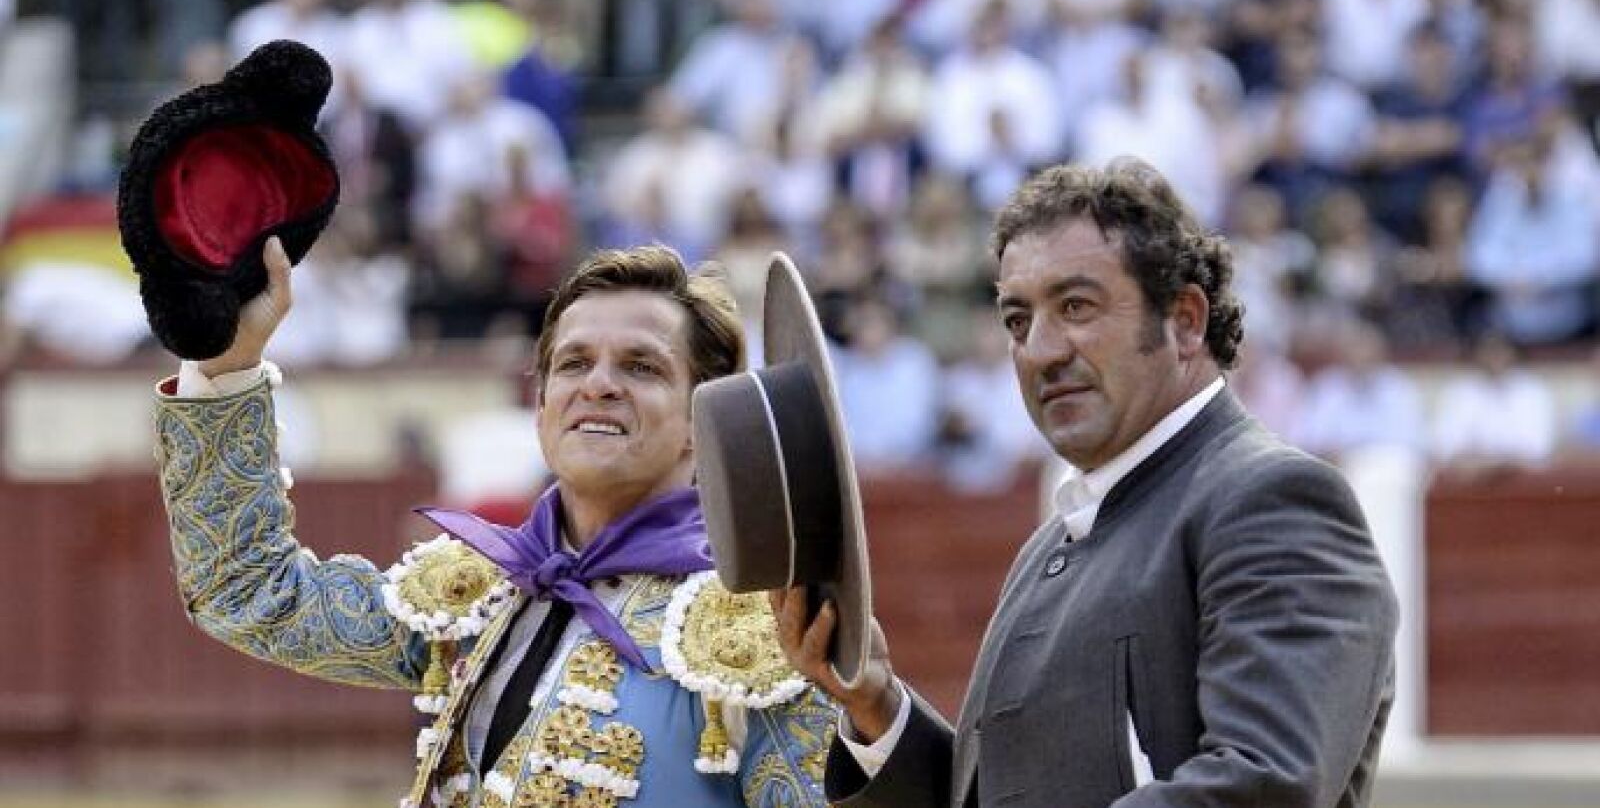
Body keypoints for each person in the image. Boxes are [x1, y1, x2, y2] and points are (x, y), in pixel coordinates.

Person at [773, 158, 1398, 808]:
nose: (1040, 350)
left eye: (1076, 306)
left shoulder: (1273, 501)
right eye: (1018, 321)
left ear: (1185, 320)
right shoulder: (1050, 546)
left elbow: (1268, 784)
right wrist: (877, 707)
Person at [153, 243, 835, 807]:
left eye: (641, 366)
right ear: (542, 408)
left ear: (700, 420)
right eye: (573, 363)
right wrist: (226, 363)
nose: (598, 384)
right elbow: (248, 590)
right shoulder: (475, 596)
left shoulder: (757, 632)